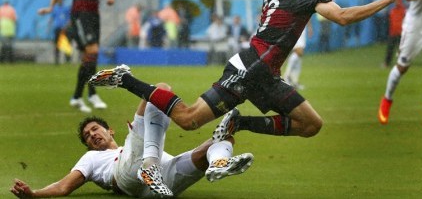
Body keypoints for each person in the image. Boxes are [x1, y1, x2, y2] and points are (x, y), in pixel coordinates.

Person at [89, 0, 404, 141]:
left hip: (264, 73)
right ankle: (124, 78)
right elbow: (344, 17)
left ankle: (238, 121)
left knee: (311, 124)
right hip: (250, 68)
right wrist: (386, 0)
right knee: (187, 119)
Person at [10, 82, 254, 198]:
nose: (92, 135)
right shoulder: (93, 157)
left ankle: (219, 163)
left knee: (221, 140)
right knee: (160, 89)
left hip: (161, 184)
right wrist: (34, 194)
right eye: (87, 136)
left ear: (110, 131)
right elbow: (64, 187)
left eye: (95, 129)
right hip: (126, 175)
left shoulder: (129, 142)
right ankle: (150, 168)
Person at [38, 0, 114, 113]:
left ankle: (78, 96)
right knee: (92, 51)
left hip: (95, 15)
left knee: (89, 57)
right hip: (80, 14)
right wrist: (50, 7)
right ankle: (92, 94)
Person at [38, 0, 72, 65]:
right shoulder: (55, 9)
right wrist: (48, 26)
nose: (60, 1)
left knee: (67, 44)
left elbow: (69, 19)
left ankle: (68, 60)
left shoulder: (66, 8)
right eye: (58, 0)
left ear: (63, 0)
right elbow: (51, 18)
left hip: (65, 29)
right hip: (57, 28)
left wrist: (66, 26)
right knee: (57, 45)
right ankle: (57, 60)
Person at [283, 25, 312, 90]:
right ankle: (287, 76)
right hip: (296, 25)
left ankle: (294, 81)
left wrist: (310, 27)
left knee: (299, 54)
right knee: (299, 52)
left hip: (303, 27)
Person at [382, 0, 405, 68]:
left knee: (402, 49)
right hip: (393, 33)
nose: (397, 2)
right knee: (390, 49)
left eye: (398, 0)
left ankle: (402, 63)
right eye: (396, 1)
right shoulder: (392, 11)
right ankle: (387, 63)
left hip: (401, 33)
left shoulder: (403, 11)